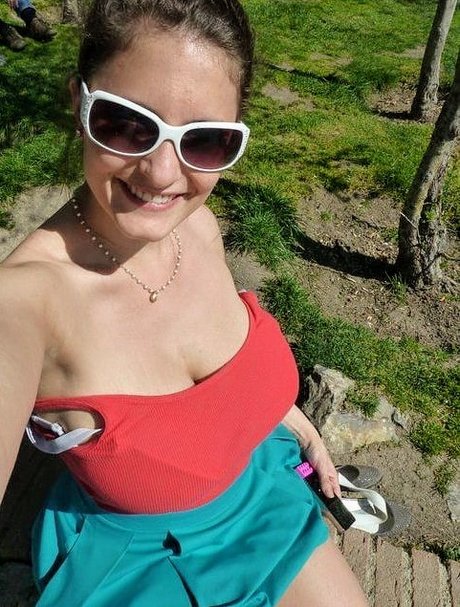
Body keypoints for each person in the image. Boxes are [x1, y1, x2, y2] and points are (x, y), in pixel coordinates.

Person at [0, 1, 369, 605]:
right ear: (78, 104)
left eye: (205, 140)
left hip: (264, 504)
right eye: (127, 124)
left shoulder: (197, 228)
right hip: (139, 563)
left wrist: (290, 419)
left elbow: (220, 373)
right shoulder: (23, 303)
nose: (162, 173)